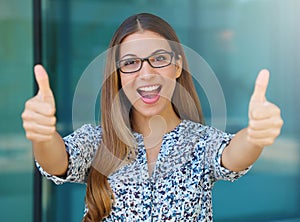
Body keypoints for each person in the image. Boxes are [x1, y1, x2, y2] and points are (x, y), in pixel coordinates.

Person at [22, 13, 283, 221]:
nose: (146, 74)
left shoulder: (200, 141)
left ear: (177, 65)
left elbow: (233, 156)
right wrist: (42, 136)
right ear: (119, 74)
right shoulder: (97, 141)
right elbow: (57, 162)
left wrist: (255, 135)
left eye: (159, 58)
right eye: (131, 62)